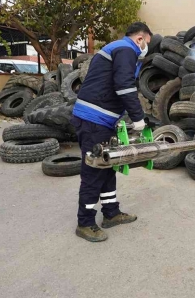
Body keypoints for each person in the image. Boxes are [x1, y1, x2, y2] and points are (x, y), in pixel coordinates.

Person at [70, 22, 152, 242]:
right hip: (92, 120)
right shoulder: (126, 49)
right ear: (140, 39)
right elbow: (124, 86)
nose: (146, 49)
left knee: (108, 166)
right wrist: (138, 118)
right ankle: (85, 222)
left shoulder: (117, 48)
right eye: (147, 43)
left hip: (100, 120)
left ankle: (111, 213)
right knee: (94, 169)